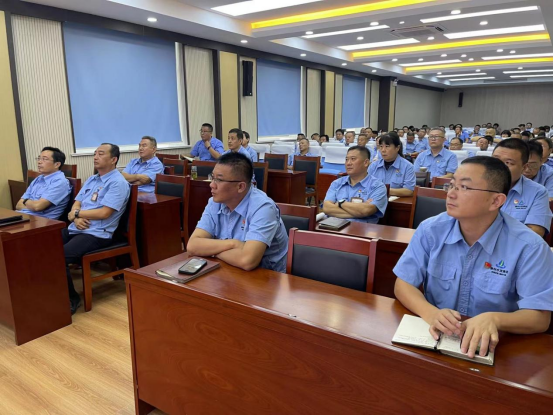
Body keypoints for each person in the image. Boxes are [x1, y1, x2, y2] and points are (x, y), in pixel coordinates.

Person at [393, 156, 552, 359]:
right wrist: (431, 313)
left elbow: (539, 318)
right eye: (451, 185)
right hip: (435, 339)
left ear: (496, 201)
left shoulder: (530, 247)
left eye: (465, 188)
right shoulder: (430, 229)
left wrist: (495, 319)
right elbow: (403, 284)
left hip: (496, 348)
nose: (451, 194)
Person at [187, 152, 288, 272]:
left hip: (267, 277)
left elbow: (247, 261)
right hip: (228, 269)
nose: (212, 185)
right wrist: (233, 244)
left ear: (240, 187)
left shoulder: (263, 208)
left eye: (219, 180)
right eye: (212, 177)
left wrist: (210, 250)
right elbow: (192, 246)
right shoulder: (215, 202)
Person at [63, 144, 130, 314]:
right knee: (42, 245)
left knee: (59, 256)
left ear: (113, 159)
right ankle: (47, 290)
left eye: (101, 154)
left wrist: (76, 214)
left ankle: (71, 299)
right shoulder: (93, 179)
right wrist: (76, 216)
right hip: (77, 227)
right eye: (94, 154)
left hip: (97, 233)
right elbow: (77, 202)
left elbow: (104, 213)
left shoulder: (117, 183)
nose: (95, 157)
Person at [492, 139, 551, 237]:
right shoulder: (474, 185)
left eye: (508, 163)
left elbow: (535, 233)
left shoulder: (537, 192)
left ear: (524, 167)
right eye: (495, 160)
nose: (499, 166)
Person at [323, 146, 388, 223]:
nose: (348, 163)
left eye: (353, 159)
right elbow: (327, 208)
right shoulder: (337, 183)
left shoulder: (377, 186)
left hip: (362, 228)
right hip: (333, 226)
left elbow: (366, 210)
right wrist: (359, 213)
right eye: (346, 159)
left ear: (366, 163)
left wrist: (340, 203)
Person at [16, 146, 71, 219]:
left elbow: (38, 207)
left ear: (57, 164)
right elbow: (18, 205)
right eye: (39, 158)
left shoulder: (60, 182)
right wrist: (32, 205)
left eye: (44, 159)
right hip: (23, 216)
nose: (39, 162)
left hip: (41, 221)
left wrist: (25, 201)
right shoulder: (38, 179)